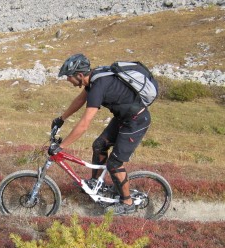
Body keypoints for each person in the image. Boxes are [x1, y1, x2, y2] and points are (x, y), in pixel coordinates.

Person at [49, 53, 151, 215]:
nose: (67, 80)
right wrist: (61, 119)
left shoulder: (98, 86)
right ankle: (97, 183)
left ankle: (127, 202)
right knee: (99, 145)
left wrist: (61, 147)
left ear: (80, 75)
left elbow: (84, 124)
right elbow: (79, 101)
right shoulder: (93, 78)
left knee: (114, 164)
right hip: (122, 118)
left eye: (69, 77)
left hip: (136, 122)